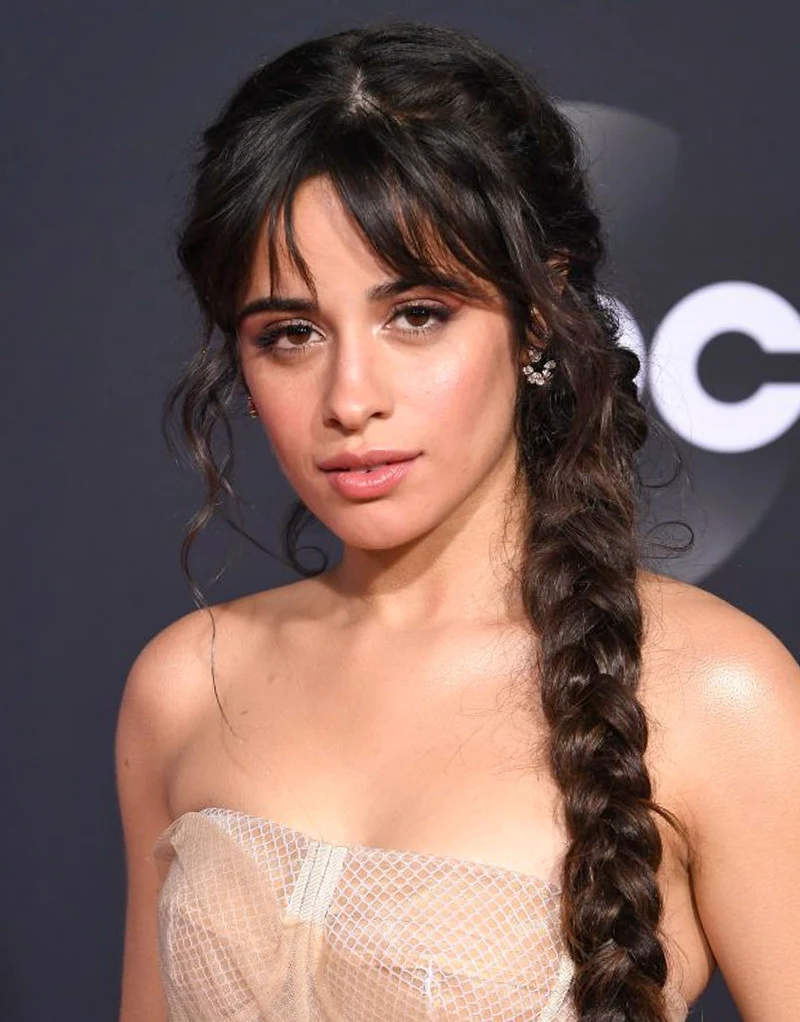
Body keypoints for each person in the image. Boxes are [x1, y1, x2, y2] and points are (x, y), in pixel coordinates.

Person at [115, 21, 800, 1022]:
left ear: (535, 314)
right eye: (291, 333)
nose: (350, 395)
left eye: (417, 314)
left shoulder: (716, 693)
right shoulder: (182, 684)